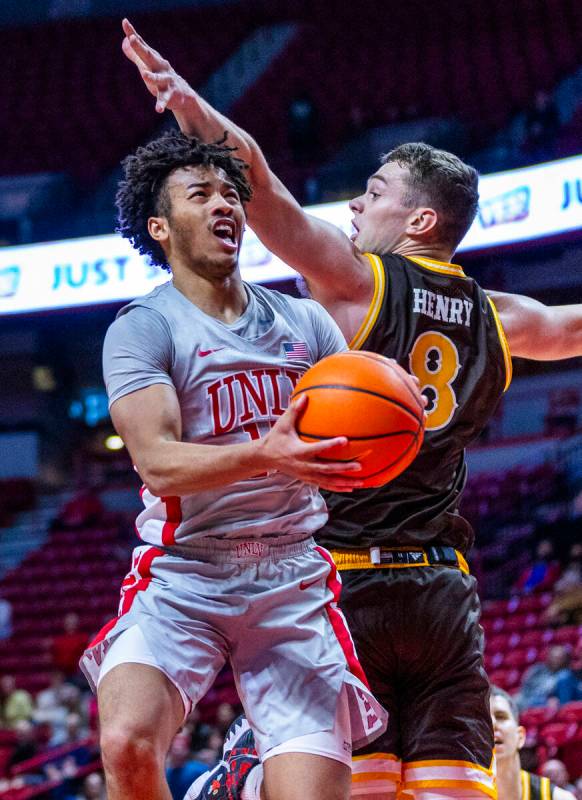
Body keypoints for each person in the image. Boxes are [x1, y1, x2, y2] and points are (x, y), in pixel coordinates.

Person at [121, 19, 582, 800]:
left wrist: (193, 109)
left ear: (419, 223)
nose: (355, 208)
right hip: (443, 594)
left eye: (372, 195)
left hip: (342, 587)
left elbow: (260, 188)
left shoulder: (360, 281)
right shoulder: (503, 317)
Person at [79, 130, 386, 800]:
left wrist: (398, 420)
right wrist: (264, 454)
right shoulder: (144, 328)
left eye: (230, 192)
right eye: (201, 193)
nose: (225, 203)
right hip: (187, 569)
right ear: (160, 227)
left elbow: (360, 428)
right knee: (127, 741)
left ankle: (243, 774)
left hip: (291, 574)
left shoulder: (306, 324)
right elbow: (157, 463)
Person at [490, 686, 575, 800]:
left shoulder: (559, 798)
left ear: (520, 737)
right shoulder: (461, 794)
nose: (492, 724)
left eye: (500, 716)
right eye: (485, 720)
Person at [516, 646, 575, 710]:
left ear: (565, 660)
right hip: (527, 699)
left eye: (560, 658)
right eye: (554, 657)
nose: (556, 660)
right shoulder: (537, 669)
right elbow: (524, 688)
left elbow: (562, 700)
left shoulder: (565, 676)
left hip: (543, 704)